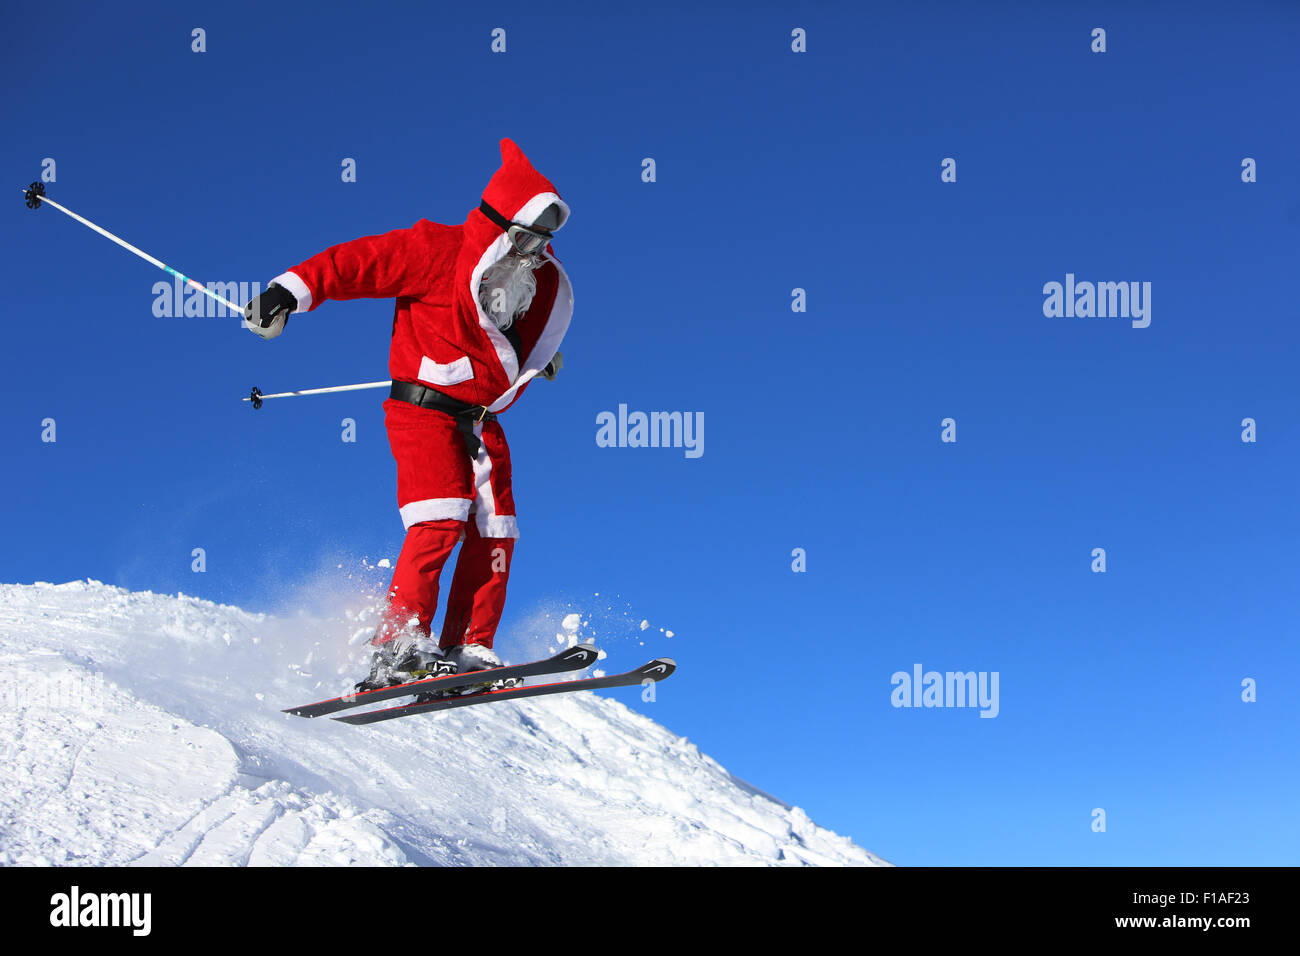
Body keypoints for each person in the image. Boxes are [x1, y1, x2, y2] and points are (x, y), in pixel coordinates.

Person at [243, 138, 571, 692]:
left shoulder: (526, 283)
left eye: (542, 243)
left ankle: (468, 645)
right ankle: (397, 644)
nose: (531, 254)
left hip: (481, 421)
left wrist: (538, 359)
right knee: (441, 518)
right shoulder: (437, 249)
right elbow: (356, 263)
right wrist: (286, 293)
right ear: (497, 226)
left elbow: (507, 340)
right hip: (424, 414)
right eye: (523, 239)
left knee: (495, 531)